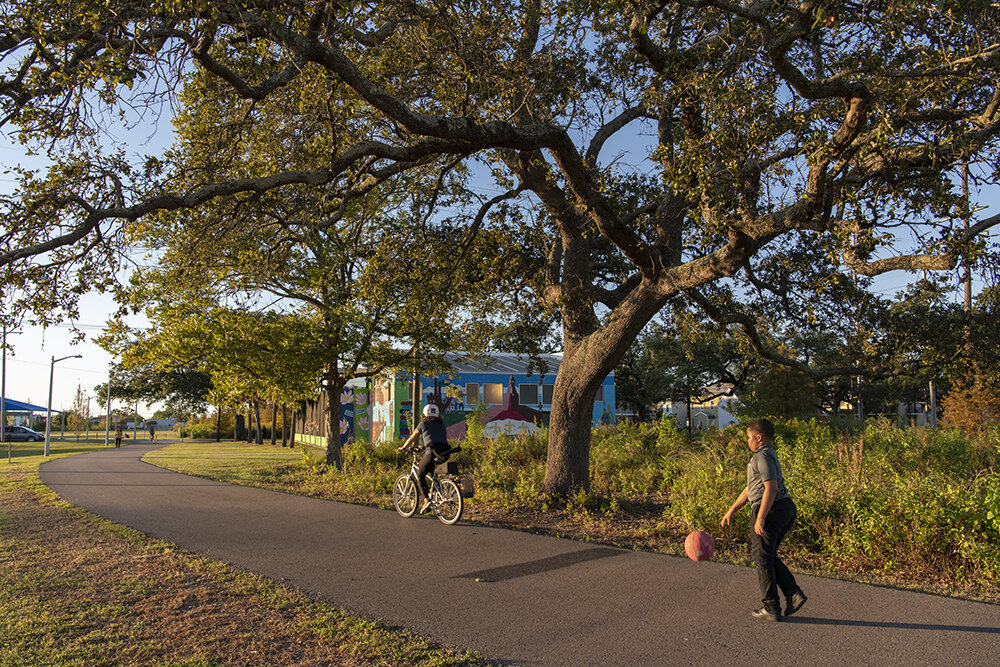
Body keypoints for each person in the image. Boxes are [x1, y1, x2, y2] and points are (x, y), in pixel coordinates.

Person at [721, 418, 807, 622]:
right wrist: (732, 509)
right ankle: (793, 593)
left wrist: (760, 518)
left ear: (759, 438)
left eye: (749, 437)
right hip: (783, 508)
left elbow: (771, 487)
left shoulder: (762, 456)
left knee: (762, 558)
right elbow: (752, 488)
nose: (747, 441)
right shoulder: (765, 455)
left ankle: (772, 607)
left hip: (771, 509)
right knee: (767, 556)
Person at [397, 403, 451, 513]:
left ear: (424, 414)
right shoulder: (441, 425)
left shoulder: (423, 424)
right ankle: (436, 493)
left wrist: (403, 447)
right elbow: (435, 439)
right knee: (432, 473)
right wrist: (422, 446)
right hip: (445, 452)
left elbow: (413, 437)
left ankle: (427, 500)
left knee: (420, 474)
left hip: (432, 452)